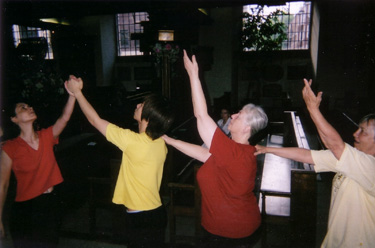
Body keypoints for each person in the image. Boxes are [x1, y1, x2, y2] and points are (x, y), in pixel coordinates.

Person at [162, 50, 268, 247]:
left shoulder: (236, 153)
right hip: (220, 228)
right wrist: (170, 140)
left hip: (232, 233)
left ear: (247, 128)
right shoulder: (233, 149)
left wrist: (193, 74)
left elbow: (201, 116)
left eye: (239, 115)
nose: (233, 115)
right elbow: (204, 154)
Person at [255, 79, 375, 248]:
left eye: (363, 131)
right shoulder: (352, 160)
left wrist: (313, 109)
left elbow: (334, 144)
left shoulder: (371, 167)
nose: (355, 133)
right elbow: (307, 156)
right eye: (358, 127)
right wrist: (266, 150)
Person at [65, 75, 173, 248]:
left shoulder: (134, 142)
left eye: (142, 105)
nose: (137, 105)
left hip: (142, 218)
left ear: (149, 117)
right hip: (156, 213)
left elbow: (95, 120)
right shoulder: (160, 143)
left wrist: (77, 92)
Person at [0, 91, 76, 247]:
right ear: (14, 119)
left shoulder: (46, 136)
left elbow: (65, 118)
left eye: (29, 106)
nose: (29, 108)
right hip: (25, 209)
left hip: (50, 204)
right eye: (23, 108)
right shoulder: (10, 147)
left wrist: (73, 94)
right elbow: (3, 185)